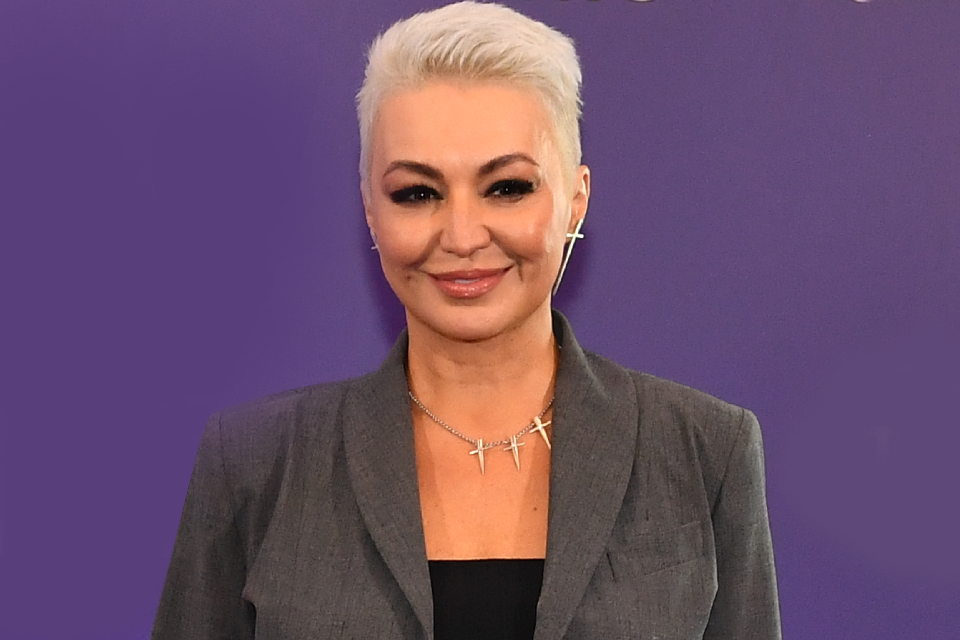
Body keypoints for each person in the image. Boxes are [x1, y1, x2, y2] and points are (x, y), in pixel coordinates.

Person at [151, 2, 781, 639]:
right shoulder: (256, 465)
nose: (462, 235)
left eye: (507, 187)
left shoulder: (705, 453)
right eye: (417, 193)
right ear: (371, 211)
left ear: (576, 199)